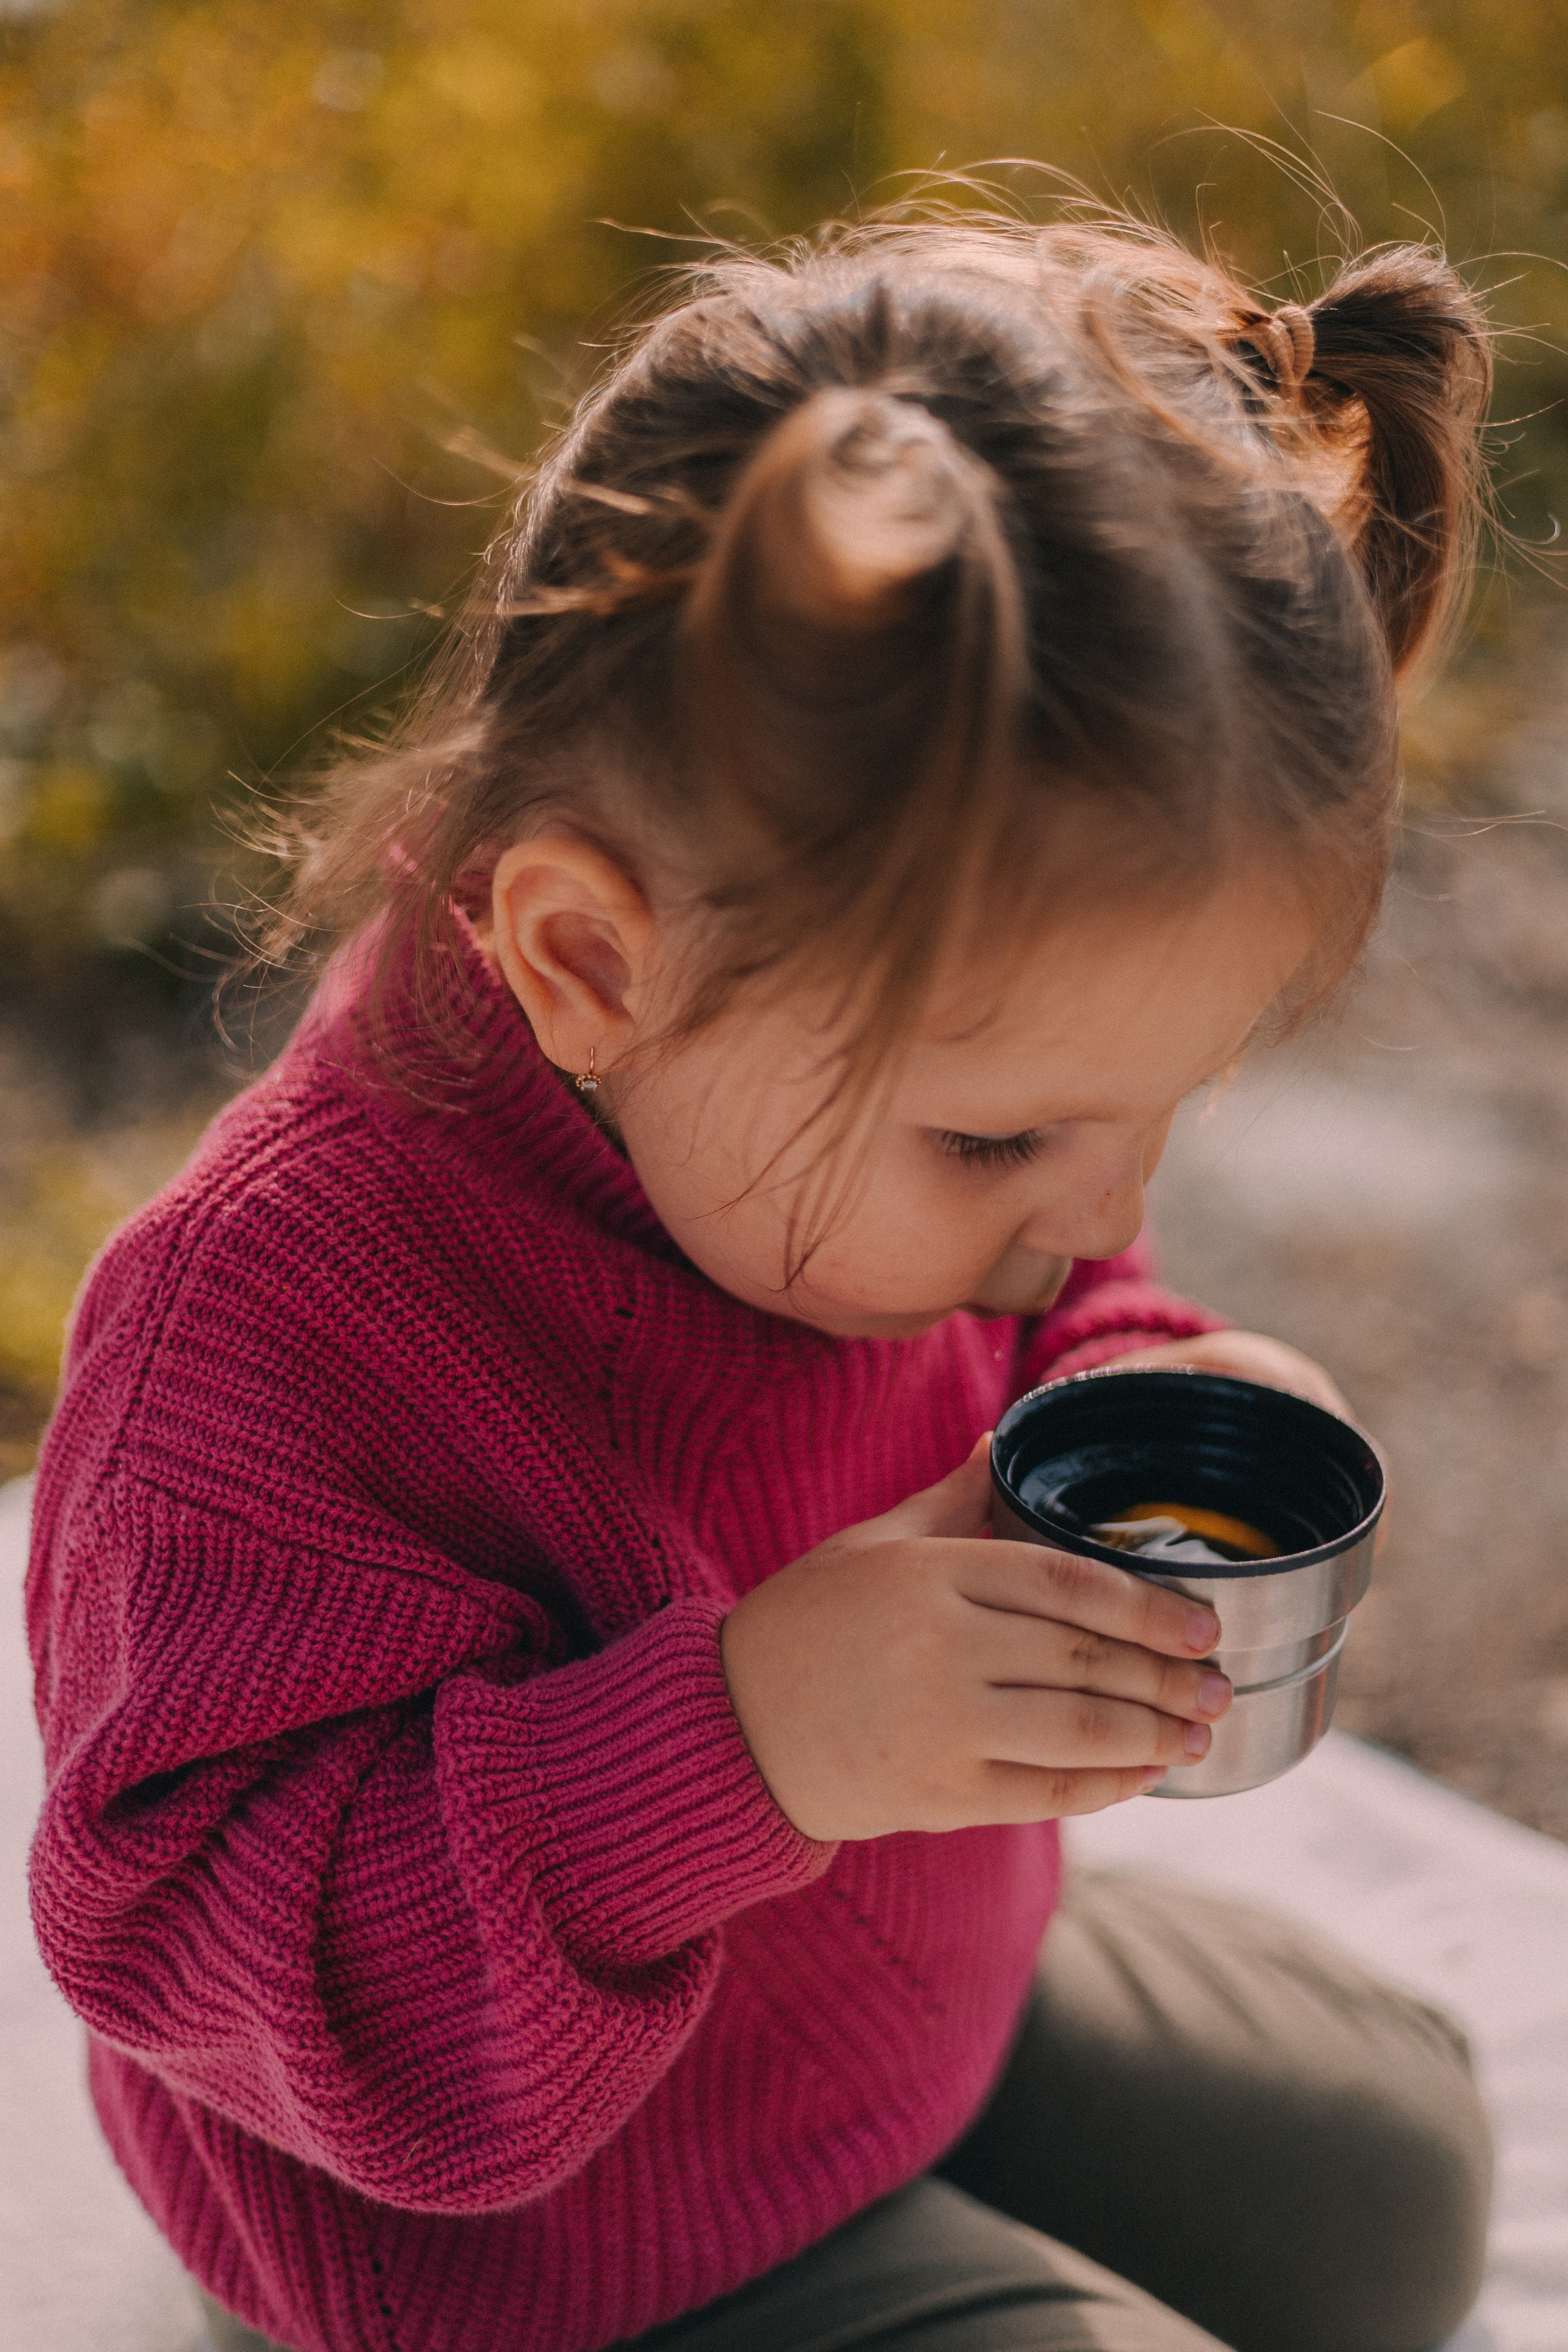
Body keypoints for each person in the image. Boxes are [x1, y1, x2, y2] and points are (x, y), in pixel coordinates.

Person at [27, 204, 1496, 2352]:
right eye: (1000, 1140)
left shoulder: (862, 1136)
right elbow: (228, 1966)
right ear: (591, 962)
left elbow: (1058, 1303)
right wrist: (746, 1743)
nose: (1089, 1216)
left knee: (1399, 2187)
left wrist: (1158, 1376)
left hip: (880, 2010)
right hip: (528, 2259)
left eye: (1153, 1111)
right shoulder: (268, 1342)